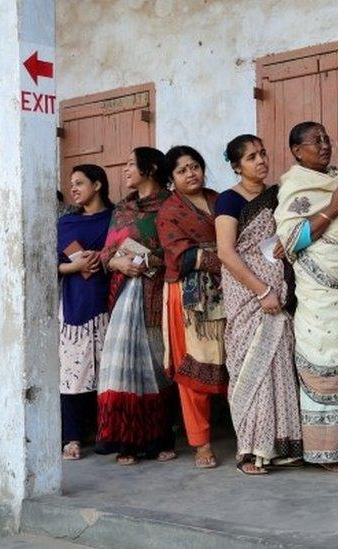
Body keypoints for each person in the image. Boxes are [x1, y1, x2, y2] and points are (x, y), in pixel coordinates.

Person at [216, 134, 303, 475]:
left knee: (279, 364)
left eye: (263, 153)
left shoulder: (277, 196)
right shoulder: (228, 200)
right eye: (251, 157)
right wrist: (261, 290)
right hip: (248, 293)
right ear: (237, 166)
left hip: (279, 290)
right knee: (250, 366)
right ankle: (250, 450)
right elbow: (226, 252)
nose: (261, 160)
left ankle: (280, 445)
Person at [274, 121, 338, 471]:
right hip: (317, 293)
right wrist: (336, 206)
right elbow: (292, 239)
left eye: (326, 138)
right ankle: (324, 451)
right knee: (324, 362)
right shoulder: (295, 186)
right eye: (315, 141)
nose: (324, 145)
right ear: (297, 150)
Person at [96, 147, 176, 465]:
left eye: (131, 163)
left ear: (151, 167)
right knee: (122, 368)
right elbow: (106, 252)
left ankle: (160, 438)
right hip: (123, 294)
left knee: (157, 368)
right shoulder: (122, 208)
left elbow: (177, 251)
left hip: (157, 293)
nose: (125, 169)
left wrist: (146, 261)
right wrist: (118, 262)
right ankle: (125, 441)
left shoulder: (171, 205)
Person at [157, 146, 226, 469]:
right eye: (182, 170)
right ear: (171, 179)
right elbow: (183, 256)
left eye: (195, 166)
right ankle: (201, 444)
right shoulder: (169, 211)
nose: (191, 173)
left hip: (230, 289)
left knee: (235, 361)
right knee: (193, 370)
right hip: (188, 300)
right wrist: (227, 260)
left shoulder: (218, 199)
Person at [57, 165, 113, 460]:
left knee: (109, 371)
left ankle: (107, 432)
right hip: (75, 306)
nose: (74, 188)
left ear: (98, 184)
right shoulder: (66, 223)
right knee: (72, 372)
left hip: (108, 303)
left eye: (79, 183)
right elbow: (53, 264)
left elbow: (126, 249)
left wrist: (104, 257)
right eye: (71, 183)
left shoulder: (116, 218)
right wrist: (75, 267)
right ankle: (72, 437)